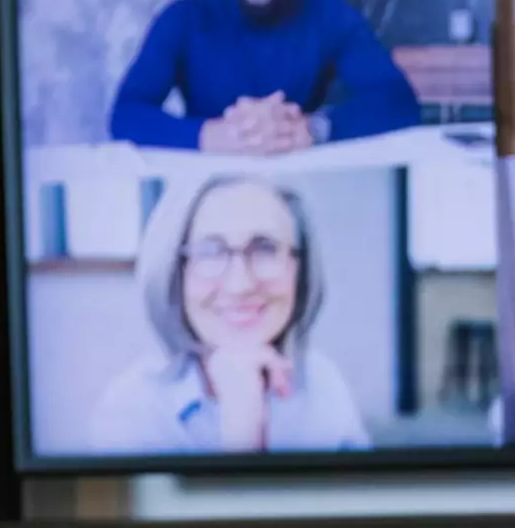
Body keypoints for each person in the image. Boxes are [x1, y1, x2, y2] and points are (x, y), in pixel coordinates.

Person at [86, 173, 370, 454]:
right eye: (209, 252)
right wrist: (242, 422)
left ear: (300, 267)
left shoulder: (323, 383)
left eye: (265, 249)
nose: (240, 285)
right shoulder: (131, 409)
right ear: (175, 272)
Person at [106, 0, 423, 152]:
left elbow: (397, 101)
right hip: (205, 173)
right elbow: (126, 114)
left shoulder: (330, 16)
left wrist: (313, 129)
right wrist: (211, 136)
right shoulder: (183, 17)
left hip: (301, 165)